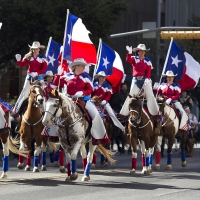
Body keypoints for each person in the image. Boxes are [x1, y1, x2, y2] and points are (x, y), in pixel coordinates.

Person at [53, 58, 110, 145]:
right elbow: (56, 85)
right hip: (69, 100)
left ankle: (96, 137)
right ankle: (54, 135)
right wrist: (58, 74)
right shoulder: (67, 75)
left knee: (96, 114)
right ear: (76, 66)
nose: (84, 67)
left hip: (83, 100)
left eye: (84, 66)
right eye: (82, 66)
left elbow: (90, 90)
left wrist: (82, 93)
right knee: (55, 112)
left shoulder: (86, 77)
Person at [120, 44, 160, 134]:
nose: (142, 52)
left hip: (145, 80)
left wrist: (147, 79)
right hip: (135, 80)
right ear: (137, 52)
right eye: (140, 51)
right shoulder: (134, 58)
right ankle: (125, 117)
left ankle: (156, 116)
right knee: (131, 97)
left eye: (143, 51)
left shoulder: (148, 61)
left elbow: (149, 71)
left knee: (150, 96)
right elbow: (128, 59)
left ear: (145, 52)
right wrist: (129, 53)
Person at [12, 41, 48, 114]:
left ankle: (45, 111)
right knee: (24, 93)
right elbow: (22, 64)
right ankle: (16, 110)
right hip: (29, 77)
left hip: (39, 77)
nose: (35, 50)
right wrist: (18, 61)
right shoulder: (28, 56)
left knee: (42, 92)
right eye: (33, 49)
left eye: (36, 49)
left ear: (39, 49)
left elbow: (44, 68)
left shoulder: (43, 58)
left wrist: (37, 73)